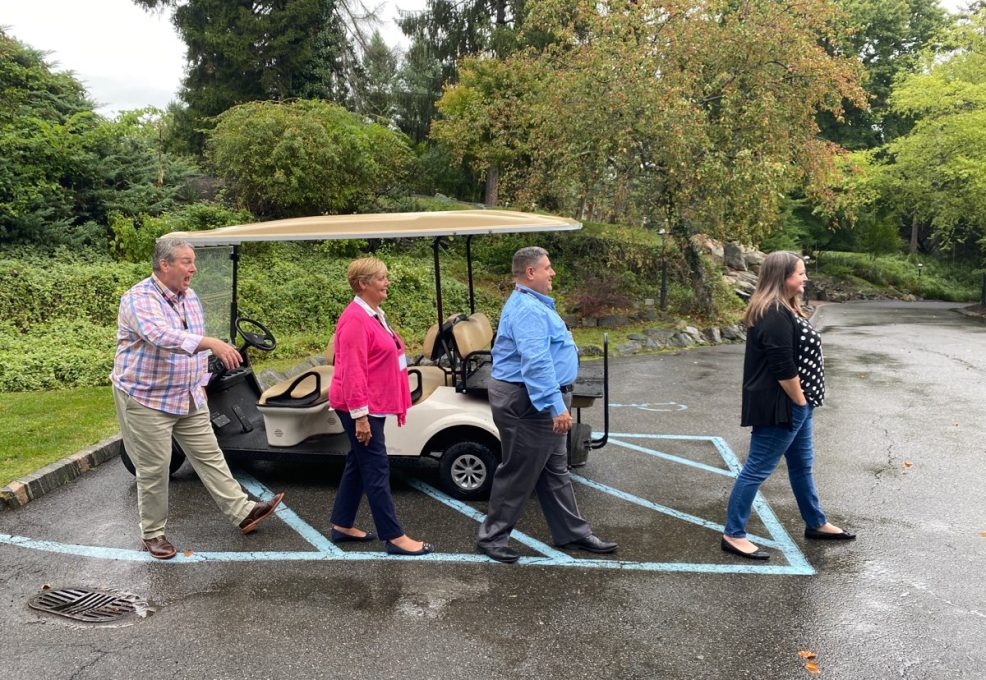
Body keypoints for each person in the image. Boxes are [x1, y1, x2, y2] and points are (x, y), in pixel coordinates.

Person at [111, 239, 284, 561]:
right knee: (154, 469)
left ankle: (243, 513)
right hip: (147, 398)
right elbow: (161, 337)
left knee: (210, 456)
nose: (193, 269)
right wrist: (211, 343)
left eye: (193, 262)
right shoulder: (139, 299)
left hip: (187, 394)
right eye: (186, 262)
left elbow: (195, 348)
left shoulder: (189, 297)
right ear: (165, 265)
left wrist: (201, 381)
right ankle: (153, 534)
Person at [476, 247, 617, 564]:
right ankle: (492, 538)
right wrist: (556, 406)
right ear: (530, 273)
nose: (552, 273)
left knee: (555, 471)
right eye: (547, 268)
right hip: (530, 402)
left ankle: (572, 533)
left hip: (538, 397)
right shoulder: (528, 310)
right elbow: (536, 363)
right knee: (518, 471)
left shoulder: (535, 305)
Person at [721, 251, 855, 560]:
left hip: (798, 405)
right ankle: (733, 533)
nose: (805, 278)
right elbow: (782, 366)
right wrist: (799, 402)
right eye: (800, 273)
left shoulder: (786, 309)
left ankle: (816, 522)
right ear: (783, 278)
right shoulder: (773, 313)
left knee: (801, 466)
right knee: (756, 469)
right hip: (783, 406)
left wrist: (804, 404)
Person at [328, 257, 433, 556]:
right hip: (361, 406)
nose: (387, 282)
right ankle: (394, 536)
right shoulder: (354, 320)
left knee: (359, 463)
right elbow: (352, 371)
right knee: (375, 467)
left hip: (372, 403)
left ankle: (342, 524)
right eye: (381, 278)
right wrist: (360, 416)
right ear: (363, 284)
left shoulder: (373, 314)